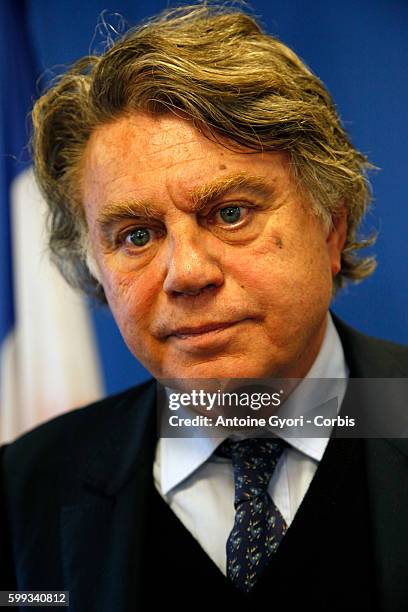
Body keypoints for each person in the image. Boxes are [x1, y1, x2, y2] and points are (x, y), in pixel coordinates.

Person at [1, 4, 407, 611]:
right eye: (136, 235)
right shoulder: (21, 491)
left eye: (231, 213)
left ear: (329, 227)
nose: (186, 273)